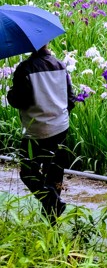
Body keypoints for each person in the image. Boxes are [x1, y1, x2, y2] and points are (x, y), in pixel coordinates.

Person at [6, 45, 74, 223]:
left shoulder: (25, 69)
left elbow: (20, 100)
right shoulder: (60, 65)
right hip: (60, 128)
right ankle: (52, 221)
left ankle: (51, 201)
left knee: (28, 173)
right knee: (54, 175)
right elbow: (70, 99)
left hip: (36, 131)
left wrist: (10, 94)